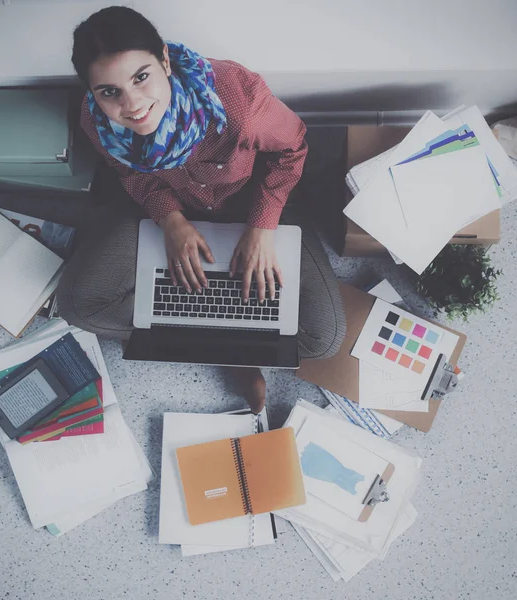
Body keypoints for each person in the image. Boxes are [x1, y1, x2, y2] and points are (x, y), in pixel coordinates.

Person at [57, 5, 346, 413]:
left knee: (324, 337)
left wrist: (262, 228)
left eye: (141, 77)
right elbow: (131, 175)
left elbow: (293, 147)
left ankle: (208, 335)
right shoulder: (97, 120)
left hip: (251, 201)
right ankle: (230, 345)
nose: (133, 105)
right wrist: (170, 220)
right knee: (77, 304)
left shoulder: (236, 97)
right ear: (92, 91)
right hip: (163, 206)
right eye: (109, 92)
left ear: (164, 60)